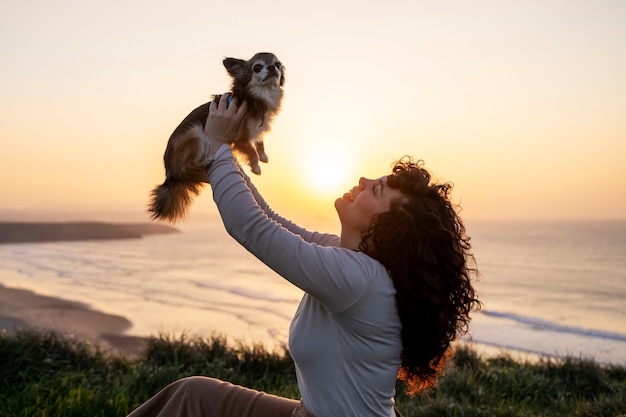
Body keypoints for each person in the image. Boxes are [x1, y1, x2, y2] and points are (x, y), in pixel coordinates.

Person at [127, 94, 481, 417]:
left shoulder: (357, 278)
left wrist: (218, 147)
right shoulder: (345, 257)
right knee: (193, 395)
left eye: (374, 189)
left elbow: (250, 227)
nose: (361, 178)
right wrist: (222, 155)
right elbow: (270, 220)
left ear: (390, 227)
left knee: (194, 401)